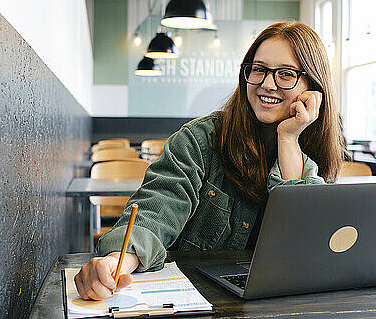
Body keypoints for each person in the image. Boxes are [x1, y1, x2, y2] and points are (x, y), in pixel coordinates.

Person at [75, 21, 346, 300]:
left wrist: (288, 139)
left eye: (286, 74)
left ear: (312, 86)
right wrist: (116, 261)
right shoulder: (199, 140)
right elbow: (158, 209)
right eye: (259, 69)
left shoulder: (316, 152)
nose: (267, 84)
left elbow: (307, 243)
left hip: (286, 301)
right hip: (199, 299)